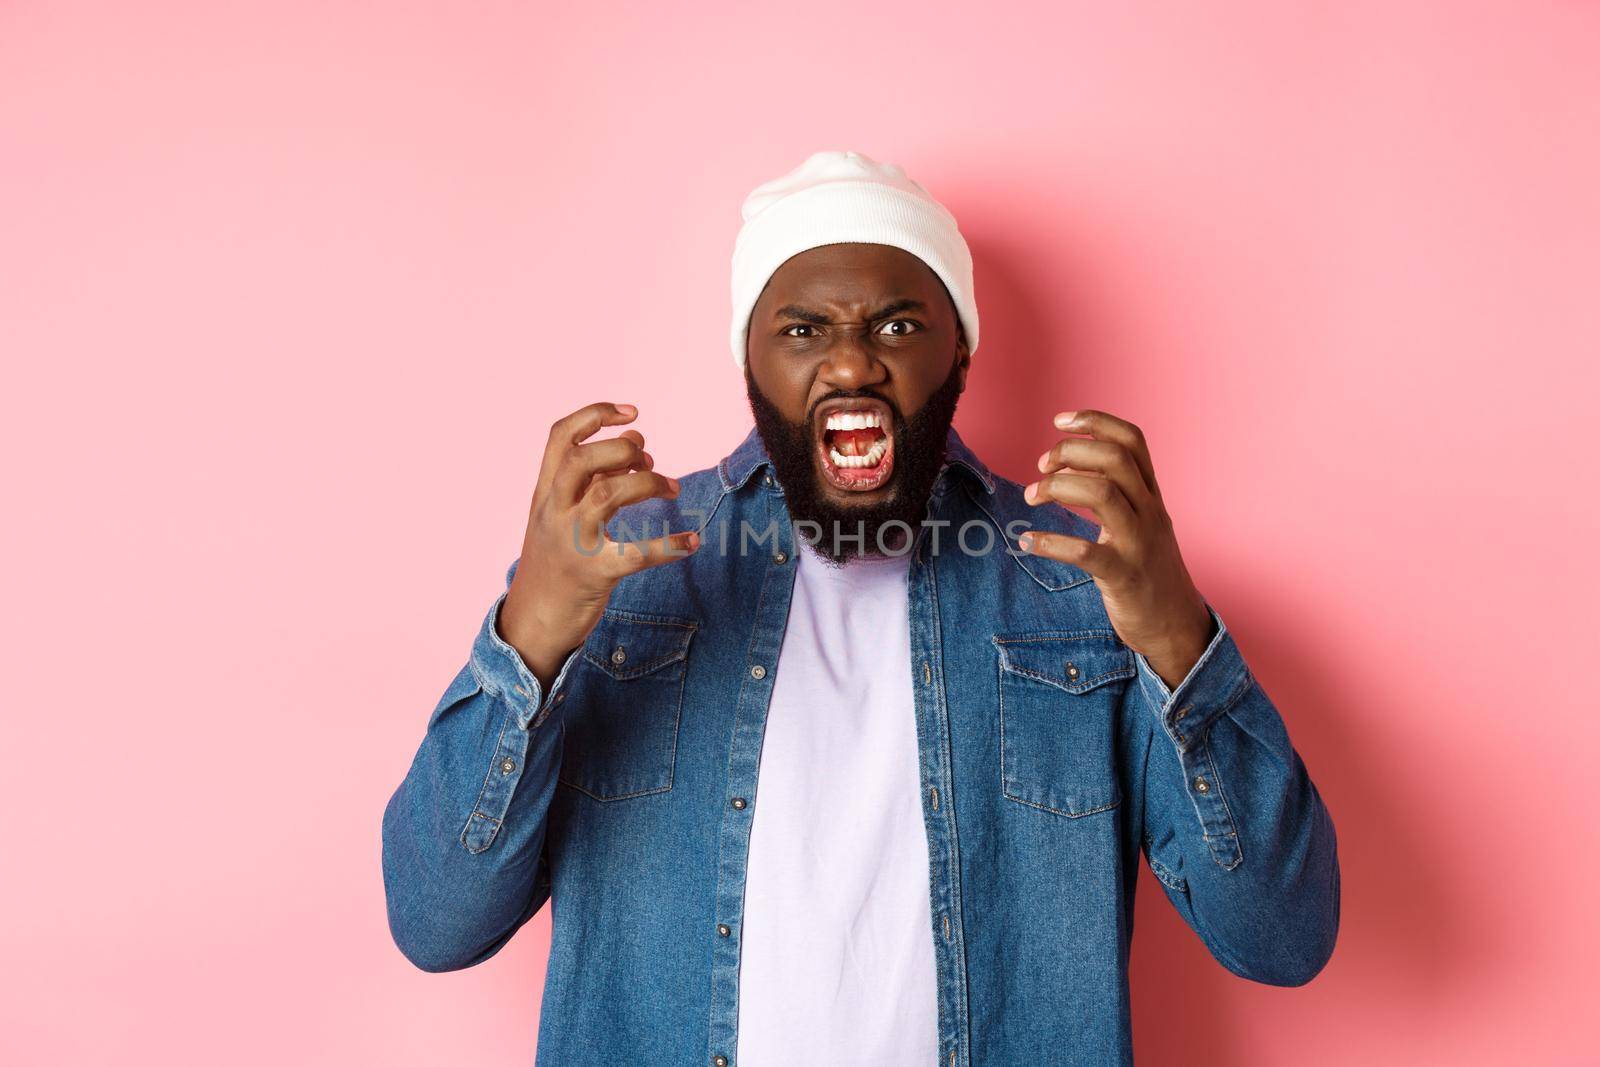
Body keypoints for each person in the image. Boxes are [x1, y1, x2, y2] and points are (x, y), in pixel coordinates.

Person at [381, 150, 1339, 1067]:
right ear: (749, 362)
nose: (850, 366)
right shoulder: (622, 572)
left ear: (959, 348)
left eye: (896, 326)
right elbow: (436, 920)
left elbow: (1283, 935)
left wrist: (1175, 632)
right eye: (802, 330)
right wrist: (534, 634)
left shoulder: (1085, 586)